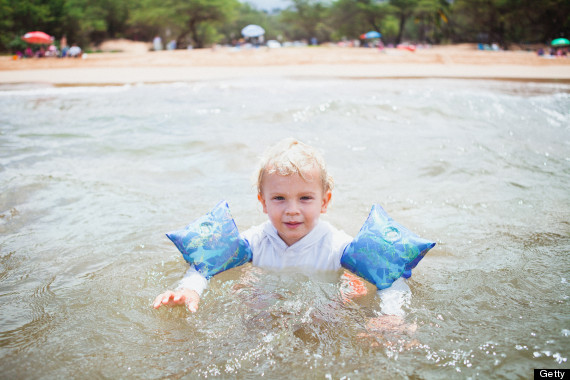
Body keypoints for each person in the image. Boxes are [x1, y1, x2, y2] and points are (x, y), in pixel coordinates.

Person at [153, 138, 410, 316]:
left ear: (325, 201)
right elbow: (205, 264)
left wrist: (391, 316)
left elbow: (390, 279)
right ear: (263, 202)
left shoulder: (337, 246)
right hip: (267, 302)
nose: (292, 210)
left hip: (322, 306)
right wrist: (189, 289)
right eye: (279, 198)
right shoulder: (255, 241)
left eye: (305, 198)